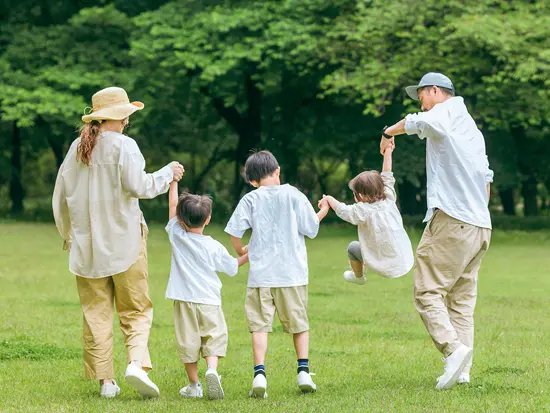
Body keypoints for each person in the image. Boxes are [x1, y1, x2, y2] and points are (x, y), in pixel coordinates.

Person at [52, 86, 184, 398]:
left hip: (86, 250)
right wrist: (168, 173)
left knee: (95, 314)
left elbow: (59, 200)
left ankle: (106, 383)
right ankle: (136, 364)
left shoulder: (75, 149)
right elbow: (141, 186)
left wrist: (68, 235)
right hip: (125, 244)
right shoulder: (125, 146)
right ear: (122, 116)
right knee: (136, 309)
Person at [380, 73, 493, 390]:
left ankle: (453, 350)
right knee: (461, 301)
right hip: (480, 226)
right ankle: (464, 370)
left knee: (427, 292)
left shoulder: (446, 111)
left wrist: (389, 131)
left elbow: (422, 123)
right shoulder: (472, 129)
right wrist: (477, 212)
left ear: (434, 91)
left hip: (452, 220)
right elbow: (486, 180)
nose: (420, 103)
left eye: (421, 96)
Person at [224, 150, 330, 398]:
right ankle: (303, 370)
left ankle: (259, 374)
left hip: (261, 275)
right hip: (292, 274)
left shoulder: (251, 199)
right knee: (298, 325)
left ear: (252, 180)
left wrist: (240, 249)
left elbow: (234, 230)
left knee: (260, 326)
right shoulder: (294, 194)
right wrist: (323, 209)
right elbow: (311, 228)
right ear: (278, 170)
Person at [165, 181, 249, 400]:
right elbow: (232, 267)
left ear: (180, 220)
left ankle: (194, 385)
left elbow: (173, 205)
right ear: (208, 220)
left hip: (184, 300)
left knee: (188, 343)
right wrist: (250, 254)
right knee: (213, 337)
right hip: (209, 300)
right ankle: (212, 369)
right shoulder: (213, 246)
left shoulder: (177, 236)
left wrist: (174, 182)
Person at [320, 142, 414, 284]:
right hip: (404, 260)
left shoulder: (363, 210)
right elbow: (387, 173)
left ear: (362, 195)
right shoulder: (389, 197)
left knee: (353, 248)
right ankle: (362, 269)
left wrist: (329, 198)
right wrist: (388, 151)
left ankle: (359, 277)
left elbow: (343, 211)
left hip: (382, 264)